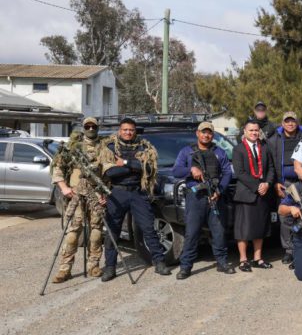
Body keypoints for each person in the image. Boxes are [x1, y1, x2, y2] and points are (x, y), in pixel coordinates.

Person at [100, 118, 171, 281]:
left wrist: (124, 163)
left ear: (135, 131)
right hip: (117, 192)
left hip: (138, 193)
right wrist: (134, 167)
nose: (128, 132)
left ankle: (159, 262)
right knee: (113, 231)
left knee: (148, 228)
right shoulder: (110, 147)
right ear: (120, 130)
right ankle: (110, 267)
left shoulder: (144, 147)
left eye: (131, 130)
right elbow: (109, 173)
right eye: (125, 130)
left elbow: (147, 168)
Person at [172, 122, 235, 279]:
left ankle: (222, 263)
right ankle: (185, 267)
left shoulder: (219, 152)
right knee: (192, 233)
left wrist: (220, 189)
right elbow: (176, 171)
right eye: (203, 132)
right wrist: (191, 170)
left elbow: (227, 173)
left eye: (209, 133)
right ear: (197, 133)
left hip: (215, 196)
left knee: (219, 232)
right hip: (196, 197)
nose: (206, 135)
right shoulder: (187, 152)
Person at [50, 117, 107, 283]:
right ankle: (64, 269)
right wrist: (64, 188)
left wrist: (106, 194)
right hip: (76, 193)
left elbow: (110, 170)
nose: (90, 128)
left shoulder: (105, 146)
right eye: (87, 126)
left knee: (96, 231)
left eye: (93, 126)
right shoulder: (72, 146)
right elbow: (58, 167)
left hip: (96, 194)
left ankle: (93, 265)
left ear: (97, 127)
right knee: (73, 233)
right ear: (83, 127)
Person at [232, 120, 275, 272]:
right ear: (245, 131)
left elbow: (270, 168)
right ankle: (243, 260)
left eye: (256, 130)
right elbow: (240, 173)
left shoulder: (264, 147)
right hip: (246, 194)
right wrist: (257, 185)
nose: (254, 133)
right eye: (251, 130)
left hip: (263, 193)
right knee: (243, 229)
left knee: (259, 227)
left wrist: (267, 184)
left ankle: (258, 258)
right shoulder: (238, 149)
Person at [267, 111, 302, 265]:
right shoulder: (274, 140)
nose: (290, 124)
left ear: (297, 123)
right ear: (282, 123)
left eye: (293, 121)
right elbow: (270, 163)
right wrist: (276, 182)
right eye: (287, 121)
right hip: (284, 183)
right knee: (285, 217)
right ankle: (289, 250)